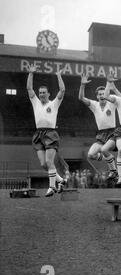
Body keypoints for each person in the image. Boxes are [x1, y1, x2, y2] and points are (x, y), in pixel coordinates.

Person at [26, 65, 67, 197]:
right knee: (44, 164)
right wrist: (31, 74)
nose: (42, 94)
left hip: (50, 134)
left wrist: (59, 75)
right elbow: (29, 88)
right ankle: (61, 180)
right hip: (38, 134)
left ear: (48, 94)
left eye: (44, 92)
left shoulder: (54, 103)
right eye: (40, 93)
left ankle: (52, 187)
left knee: (50, 162)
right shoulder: (36, 102)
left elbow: (62, 90)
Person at [78, 73, 119, 180]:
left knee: (105, 150)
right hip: (101, 135)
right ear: (97, 96)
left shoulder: (112, 103)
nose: (101, 96)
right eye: (99, 94)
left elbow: (120, 98)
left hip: (112, 133)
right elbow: (81, 97)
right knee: (90, 155)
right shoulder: (94, 105)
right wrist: (82, 84)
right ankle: (109, 158)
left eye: (103, 94)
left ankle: (113, 170)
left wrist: (109, 83)